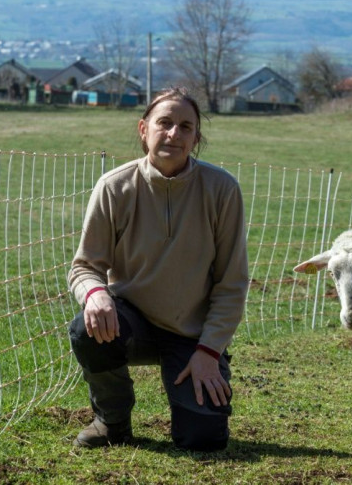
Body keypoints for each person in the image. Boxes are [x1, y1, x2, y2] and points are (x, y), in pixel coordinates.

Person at [67, 87, 249, 451]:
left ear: (196, 138)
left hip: (192, 336)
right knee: (86, 331)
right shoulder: (114, 187)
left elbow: (232, 284)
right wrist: (95, 293)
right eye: (164, 123)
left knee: (203, 440)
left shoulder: (222, 190)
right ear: (143, 129)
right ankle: (112, 421)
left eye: (185, 127)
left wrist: (210, 351)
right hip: (130, 324)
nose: (173, 134)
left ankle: (199, 400)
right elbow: (85, 266)